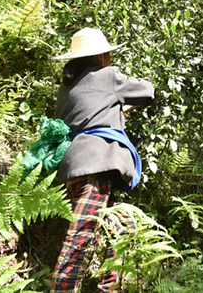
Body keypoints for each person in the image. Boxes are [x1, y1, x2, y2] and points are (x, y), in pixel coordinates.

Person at [50, 27, 155, 293]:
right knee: (81, 237)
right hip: (96, 165)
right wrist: (119, 101)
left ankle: (110, 287)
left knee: (122, 225)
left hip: (72, 168)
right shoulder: (107, 76)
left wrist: (114, 106)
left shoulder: (66, 87)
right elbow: (147, 91)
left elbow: (85, 115)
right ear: (100, 57)